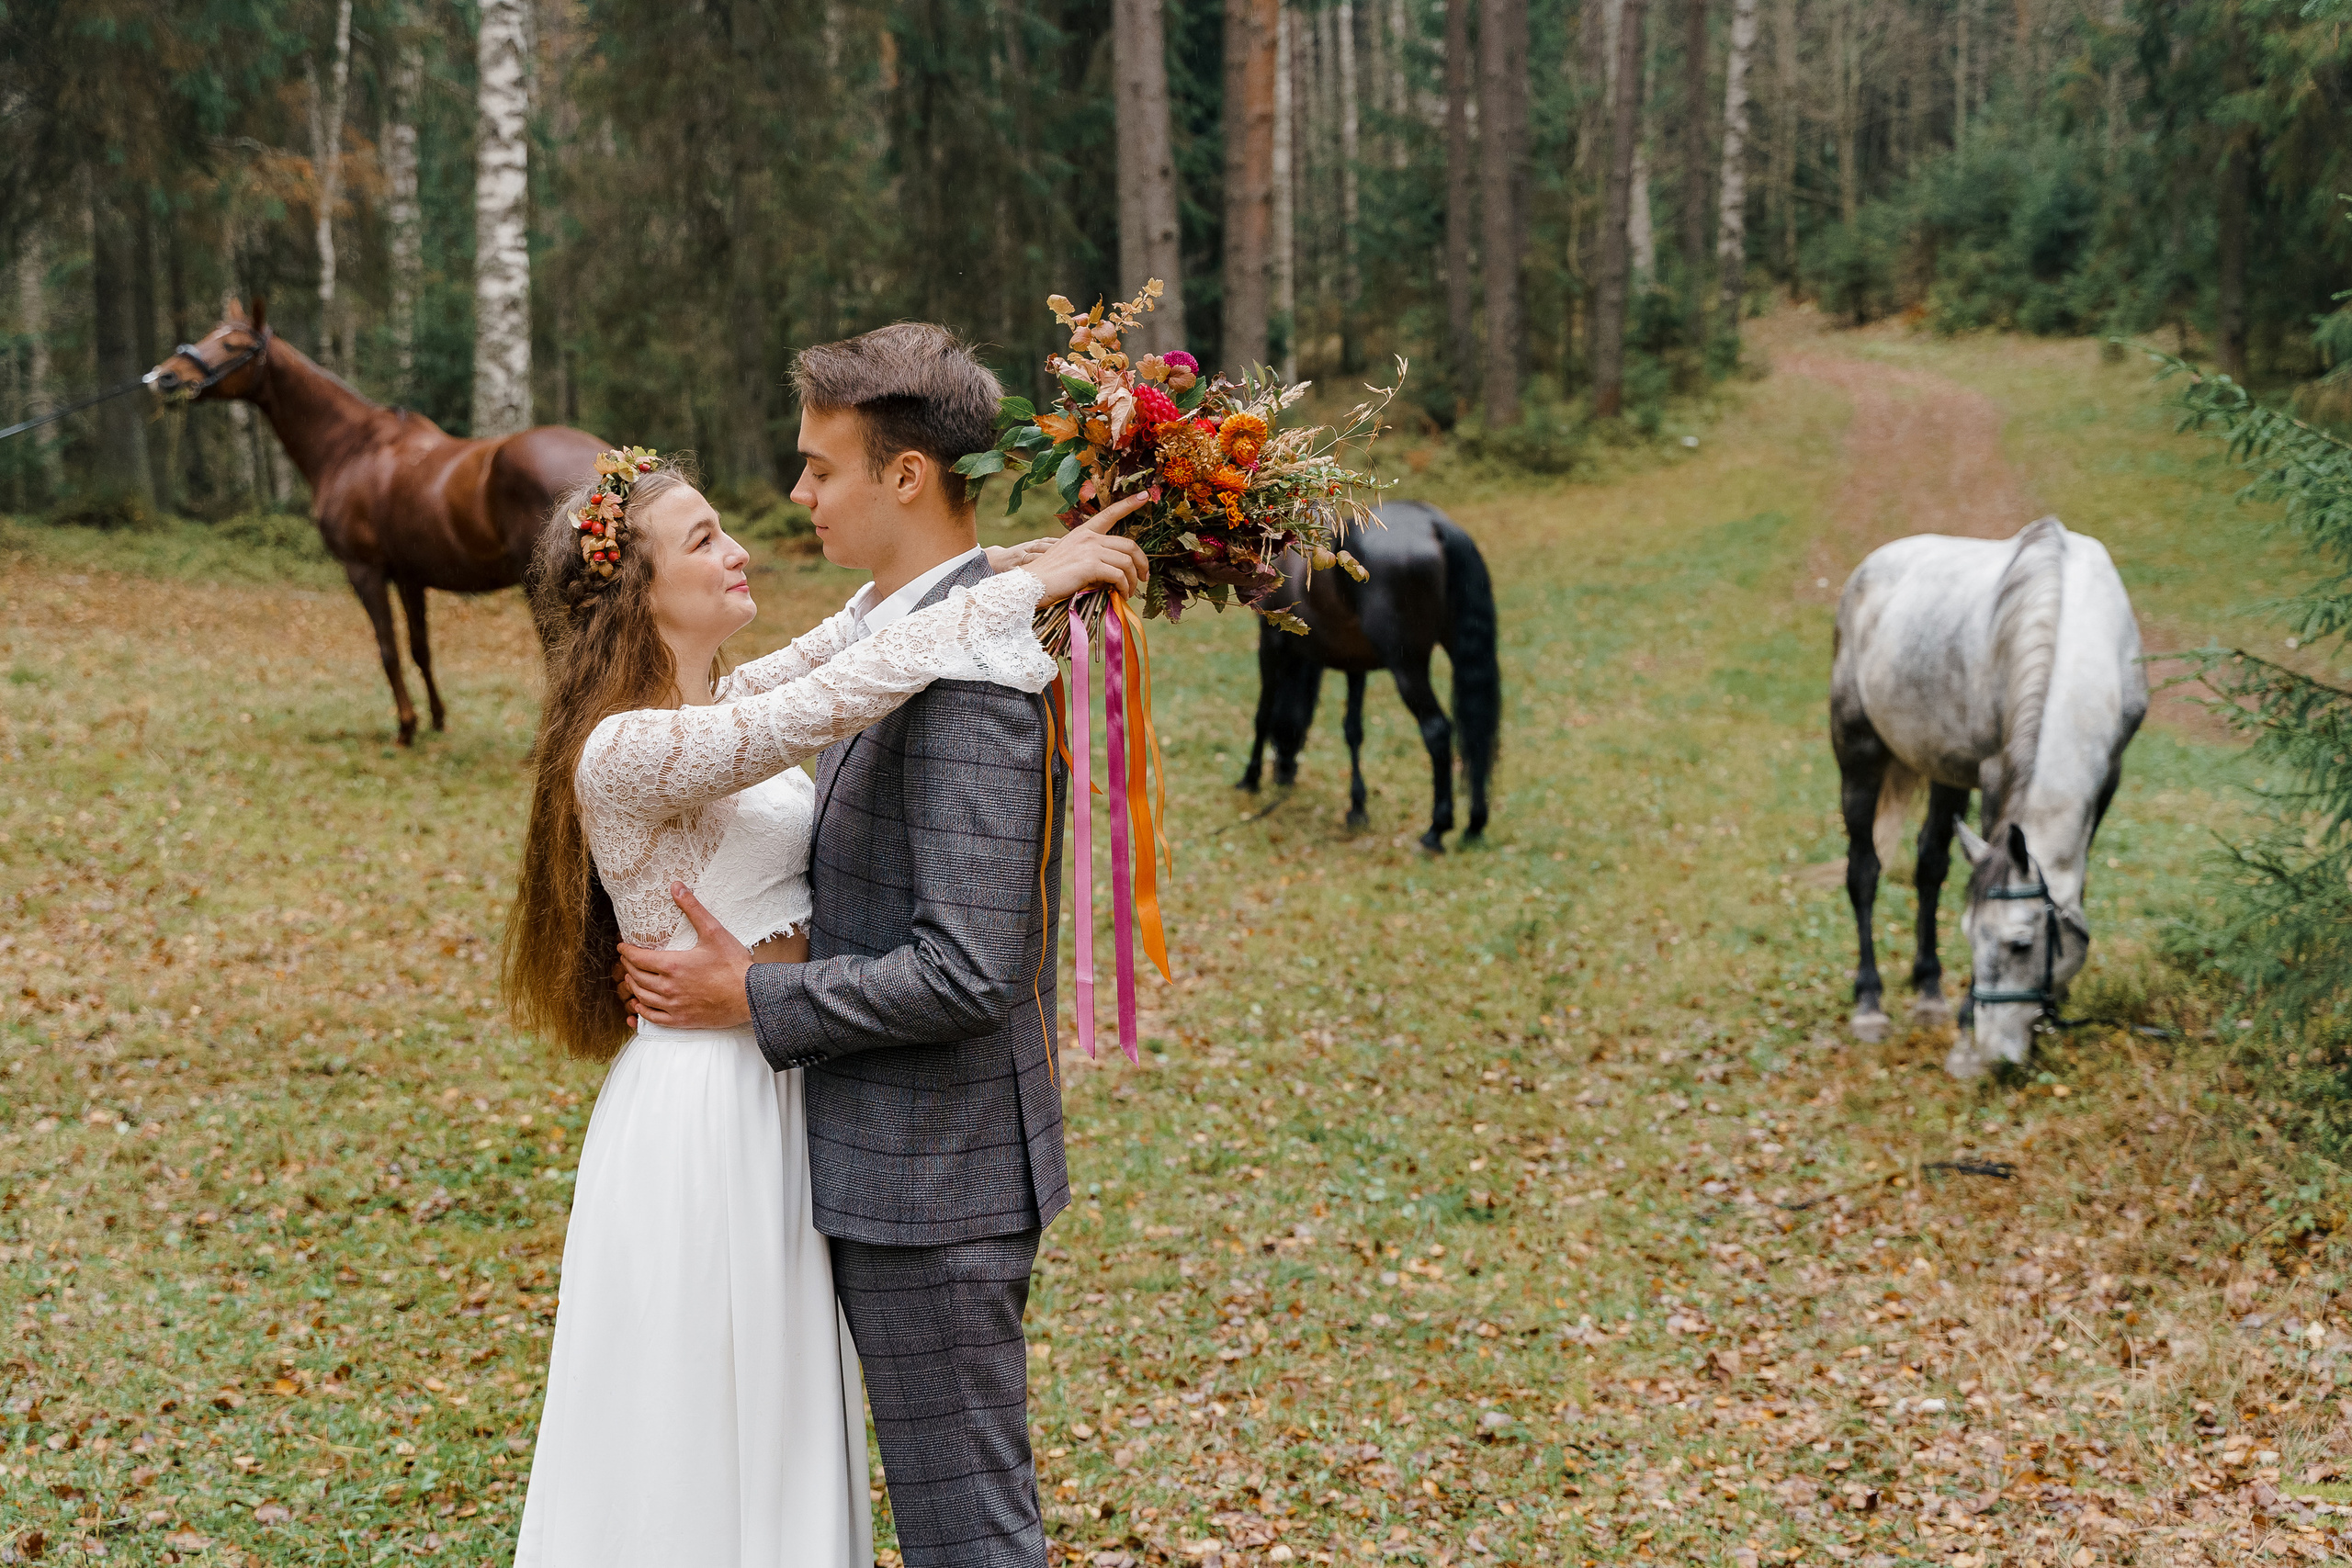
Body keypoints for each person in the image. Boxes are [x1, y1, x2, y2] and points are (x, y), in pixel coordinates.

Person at [503, 419, 1148, 1566]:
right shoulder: (626, 750)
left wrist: (1009, 564)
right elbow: (838, 694)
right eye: (703, 539)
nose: (739, 548)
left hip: (782, 1082)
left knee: (782, 1418)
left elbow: (852, 634)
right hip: (705, 1113)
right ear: (638, 592)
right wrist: (1015, 596)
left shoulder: (708, 707)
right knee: (698, 1420)